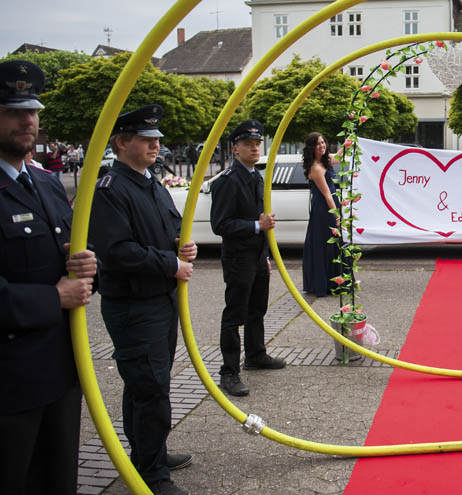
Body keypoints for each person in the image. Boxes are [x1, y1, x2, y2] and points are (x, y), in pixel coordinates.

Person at [89, 104, 197, 495]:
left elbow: (163, 231)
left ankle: (149, 453)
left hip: (158, 300)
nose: (155, 145)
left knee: (148, 384)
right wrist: (170, 263)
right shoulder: (110, 189)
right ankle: (152, 475)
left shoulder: (152, 184)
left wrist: (180, 247)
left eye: (156, 139)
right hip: (133, 305)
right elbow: (117, 251)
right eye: (146, 139)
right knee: (149, 387)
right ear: (121, 142)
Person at [0, 60, 97, 495]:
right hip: (10, 382)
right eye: (12, 111)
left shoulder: (47, 184)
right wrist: (53, 298)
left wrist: (87, 266)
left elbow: (65, 257)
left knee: (58, 480)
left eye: (33, 111)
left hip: (60, 371)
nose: (28, 121)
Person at [211, 120, 285, 397]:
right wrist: (256, 226)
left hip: (255, 256)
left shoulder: (256, 177)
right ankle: (229, 372)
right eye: (247, 144)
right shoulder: (228, 181)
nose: (254, 148)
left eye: (257, 144)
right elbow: (220, 224)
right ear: (235, 149)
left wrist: (264, 254)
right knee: (235, 315)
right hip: (238, 258)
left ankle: (255, 354)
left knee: (257, 309)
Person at [302, 132, 343, 297]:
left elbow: (338, 157)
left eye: (323, 142)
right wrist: (337, 216)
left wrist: (348, 143)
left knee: (333, 243)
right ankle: (326, 284)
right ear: (312, 147)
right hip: (324, 209)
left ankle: (334, 282)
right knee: (327, 244)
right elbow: (327, 195)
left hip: (330, 206)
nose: (322, 146)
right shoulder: (316, 168)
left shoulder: (325, 161)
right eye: (318, 144)